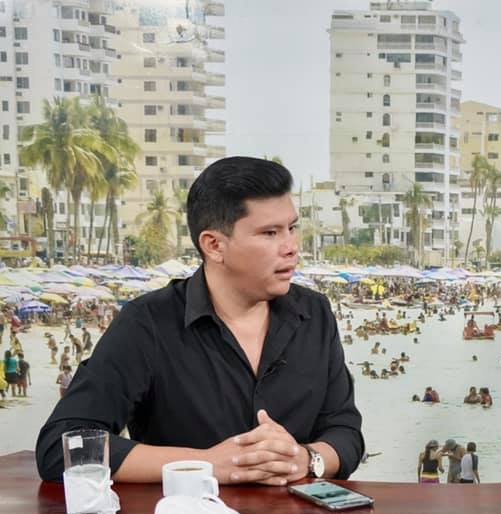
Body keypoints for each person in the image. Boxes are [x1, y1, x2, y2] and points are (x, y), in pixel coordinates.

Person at [36, 156, 364, 484]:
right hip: (183, 513)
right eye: (270, 233)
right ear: (214, 245)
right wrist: (205, 464)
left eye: (292, 228)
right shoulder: (147, 322)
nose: (291, 247)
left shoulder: (315, 312)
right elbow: (60, 447)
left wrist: (305, 459)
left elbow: (345, 431)